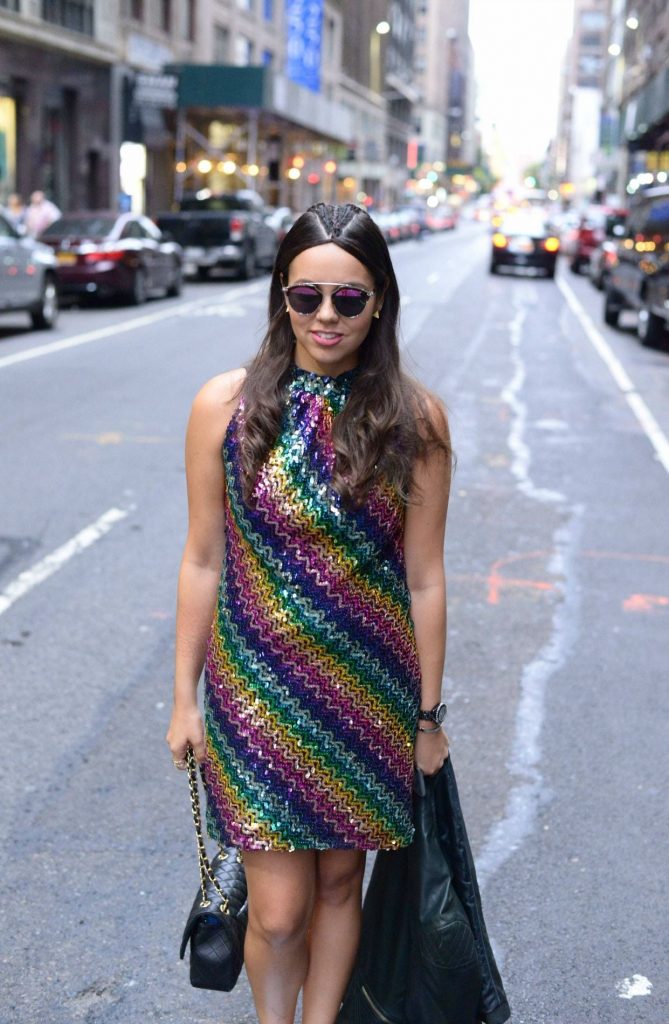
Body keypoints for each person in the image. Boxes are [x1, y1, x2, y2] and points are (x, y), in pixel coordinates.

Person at [167, 202, 452, 1024]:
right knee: (279, 908)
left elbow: (425, 578)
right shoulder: (224, 407)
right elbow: (200, 557)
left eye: (350, 300)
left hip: (369, 691)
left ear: (380, 304)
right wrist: (184, 697)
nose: (326, 317)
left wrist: (427, 718)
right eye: (307, 297)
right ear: (281, 297)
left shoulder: (413, 419)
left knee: (337, 882)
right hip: (256, 690)